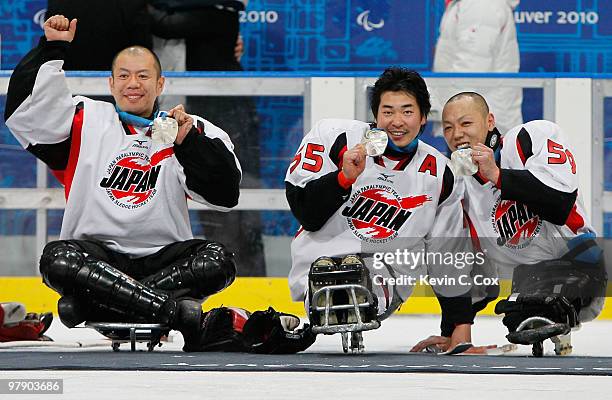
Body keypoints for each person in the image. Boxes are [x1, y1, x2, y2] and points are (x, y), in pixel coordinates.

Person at [4, 15, 313, 354]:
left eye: (142, 75)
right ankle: (178, 316)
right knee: (58, 259)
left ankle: (100, 306)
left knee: (218, 261)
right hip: (100, 258)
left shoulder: (189, 128)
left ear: (161, 84)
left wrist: (188, 141)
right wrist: (52, 47)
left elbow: (224, 195)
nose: (132, 83)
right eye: (123, 76)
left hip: (164, 261)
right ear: (110, 84)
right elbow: (23, 113)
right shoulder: (83, 119)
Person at [286, 67, 487, 353]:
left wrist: (458, 331)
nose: (397, 122)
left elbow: (446, 254)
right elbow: (306, 213)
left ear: (423, 117)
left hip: (387, 275)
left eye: (407, 111)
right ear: (376, 115)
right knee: (332, 277)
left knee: (359, 283)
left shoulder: (442, 173)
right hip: (320, 261)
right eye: (388, 111)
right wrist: (342, 179)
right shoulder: (336, 137)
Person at [440, 92, 607, 350]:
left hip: (580, 263)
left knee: (535, 303)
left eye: (466, 123)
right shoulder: (458, 187)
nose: (457, 134)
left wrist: (498, 175)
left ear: (490, 122)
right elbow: (465, 263)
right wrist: (453, 332)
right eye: (448, 127)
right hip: (527, 284)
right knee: (520, 311)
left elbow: (560, 204)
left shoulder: (529, 139)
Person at [149, 0, 266, 276]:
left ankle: (243, 277)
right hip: (182, 115)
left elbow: (165, 25)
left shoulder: (218, 11)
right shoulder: (200, 12)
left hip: (222, 116)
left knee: (232, 211)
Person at [432, 0, 522, 136]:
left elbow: (470, 71)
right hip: (472, 121)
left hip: (476, 124)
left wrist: (451, 115)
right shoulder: (471, 4)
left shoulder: (480, 5)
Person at [45, 0, 152, 70]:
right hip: (120, 90)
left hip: (68, 89)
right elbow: (142, 52)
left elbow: (52, 51)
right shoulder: (132, 4)